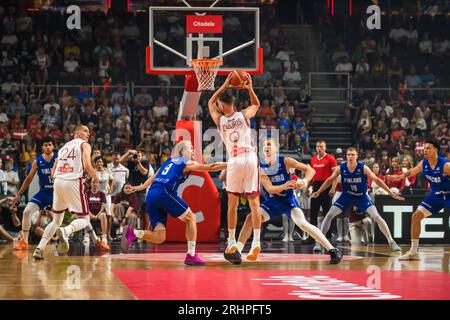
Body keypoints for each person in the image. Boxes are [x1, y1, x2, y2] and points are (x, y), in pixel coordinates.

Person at [236, 138, 342, 264]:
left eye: (269, 144)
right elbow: (270, 189)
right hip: (273, 201)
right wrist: (286, 185)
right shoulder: (261, 167)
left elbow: (311, 170)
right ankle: (237, 251)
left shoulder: (285, 161)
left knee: (303, 224)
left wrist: (304, 181)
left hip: (288, 200)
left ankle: (332, 250)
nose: (266, 147)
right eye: (264, 145)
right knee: (250, 217)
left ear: (275, 148)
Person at [121, 141, 226, 266]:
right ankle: (191, 255)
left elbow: (154, 177)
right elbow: (211, 167)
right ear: (182, 152)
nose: (193, 151)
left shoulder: (168, 162)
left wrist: (140, 187)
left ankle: (133, 233)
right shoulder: (185, 161)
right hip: (164, 192)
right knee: (191, 218)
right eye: (190, 148)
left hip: (151, 195)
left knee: (160, 236)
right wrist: (230, 164)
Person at [208, 72, 261, 265]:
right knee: (254, 203)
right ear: (235, 105)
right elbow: (256, 105)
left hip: (234, 160)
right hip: (250, 158)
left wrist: (225, 85)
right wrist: (250, 87)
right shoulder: (244, 114)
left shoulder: (220, 120)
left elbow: (209, 104)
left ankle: (231, 240)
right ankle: (256, 241)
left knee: (232, 203)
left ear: (222, 106)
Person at [33, 125, 108, 260]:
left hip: (58, 182)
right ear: (77, 133)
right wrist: (95, 177)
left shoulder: (62, 148)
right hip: (73, 181)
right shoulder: (85, 145)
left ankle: (39, 249)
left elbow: (52, 172)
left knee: (56, 220)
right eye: (86, 131)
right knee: (85, 219)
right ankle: (66, 231)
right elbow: (86, 163)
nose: (88, 134)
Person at [311, 147, 403, 252]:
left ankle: (391, 241)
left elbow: (377, 180)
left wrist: (390, 193)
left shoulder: (363, 168)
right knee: (329, 215)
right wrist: (318, 191)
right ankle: (319, 243)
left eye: (352, 155)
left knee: (377, 216)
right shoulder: (341, 167)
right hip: (346, 196)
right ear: (346, 156)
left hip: (361, 196)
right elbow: (329, 179)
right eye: (348, 155)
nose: (350, 156)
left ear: (357, 156)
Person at [387, 139, 450, 260]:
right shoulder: (424, 163)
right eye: (424, 148)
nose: (425, 150)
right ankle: (413, 251)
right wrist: (397, 177)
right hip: (436, 195)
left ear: (436, 150)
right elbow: (411, 172)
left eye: (428, 148)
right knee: (416, 216)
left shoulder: (445, 165)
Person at [10, 136, 57, 250]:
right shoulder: (38, 161)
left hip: (57, 193)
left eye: (50, 145)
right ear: (42, 147)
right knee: (26, 212)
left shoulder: (59, 158)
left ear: (53, 146)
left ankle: (92, 237)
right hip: (44, 192)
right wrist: (18, 195)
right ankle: (24, 242)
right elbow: (28, 179)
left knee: (60, 219)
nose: (47, 147)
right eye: (45, 145)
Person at [309, 140, 338, 252]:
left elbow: (335, 175)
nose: (319, 148)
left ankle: (328, 235)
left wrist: (333, 187)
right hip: (316, 186)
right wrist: (309, 187)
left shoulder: (331, 158)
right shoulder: (313, 159)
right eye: (318, 146)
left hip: (326, 187)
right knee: (313, 213)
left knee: (327, 213)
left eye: (321, 146)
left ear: (325, 147)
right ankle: (312, 237)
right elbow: (311, 175)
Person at [93, 156, 114, 243]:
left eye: (101, 162)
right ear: (95, 163)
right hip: (97, 195)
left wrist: (111, 188)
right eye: (97, 162)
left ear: (103, 162)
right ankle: (98, 233)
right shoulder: (93, 171)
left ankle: (108, 234)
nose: (99, 163)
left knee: (109, 214)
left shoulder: (108, 170)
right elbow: (88, 181)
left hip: (106, 194)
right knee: (98, 213)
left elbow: (112, 180)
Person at [86, 179, 108, 245]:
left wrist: (98, 214)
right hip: (90, 212)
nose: (95, 184)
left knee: (103, 215)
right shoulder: (87, 193)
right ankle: (86, 236)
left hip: (99, 213)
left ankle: (104, 237)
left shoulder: (102, 194)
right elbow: (86, 206)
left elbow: (103, 206)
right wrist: (91, 214)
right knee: (85, 215)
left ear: (98, 184)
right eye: (93, 182)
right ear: (91, 183)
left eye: (97, 183)